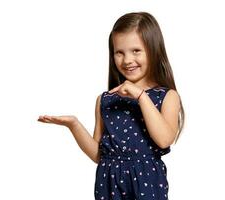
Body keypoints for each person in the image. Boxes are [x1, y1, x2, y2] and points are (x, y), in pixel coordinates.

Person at [37, 11, 185, 200]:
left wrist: (140, 96)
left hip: (147, 181)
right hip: (108, 182)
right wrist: (73, 125)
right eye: (119, 53)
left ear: (153, 49)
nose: (127, 60)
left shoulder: (167, 96)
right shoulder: (106, 99)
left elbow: (164, 140)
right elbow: (99, 156)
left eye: (136, 51)